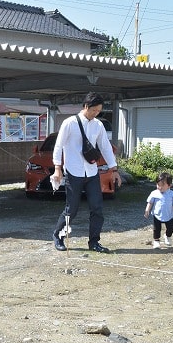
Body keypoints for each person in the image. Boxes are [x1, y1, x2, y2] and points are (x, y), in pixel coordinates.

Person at [51, 92, 122, 253]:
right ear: (85, 106)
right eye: (94, 110)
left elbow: (105, 147)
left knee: (97, 208)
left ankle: (94, 242)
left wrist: (114, 169)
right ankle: (58, 236)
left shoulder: (98, 125)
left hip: (91, 172)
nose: (96, 113)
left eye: (99, 111)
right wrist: (57, 168)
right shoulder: (69, 123)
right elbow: (58, 146)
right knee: (72, 209)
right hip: (73, 172)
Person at [144, 172, 173, 249]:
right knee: (156, 229)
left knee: (171, 227)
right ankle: (156, 241)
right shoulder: (154, 193)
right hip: (157, 215)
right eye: (158, 185)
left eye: (162, 185)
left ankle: (167, 236)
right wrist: (147, 210)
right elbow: (150, 202)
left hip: (169, 215)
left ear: (169, 185)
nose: (160, 187)